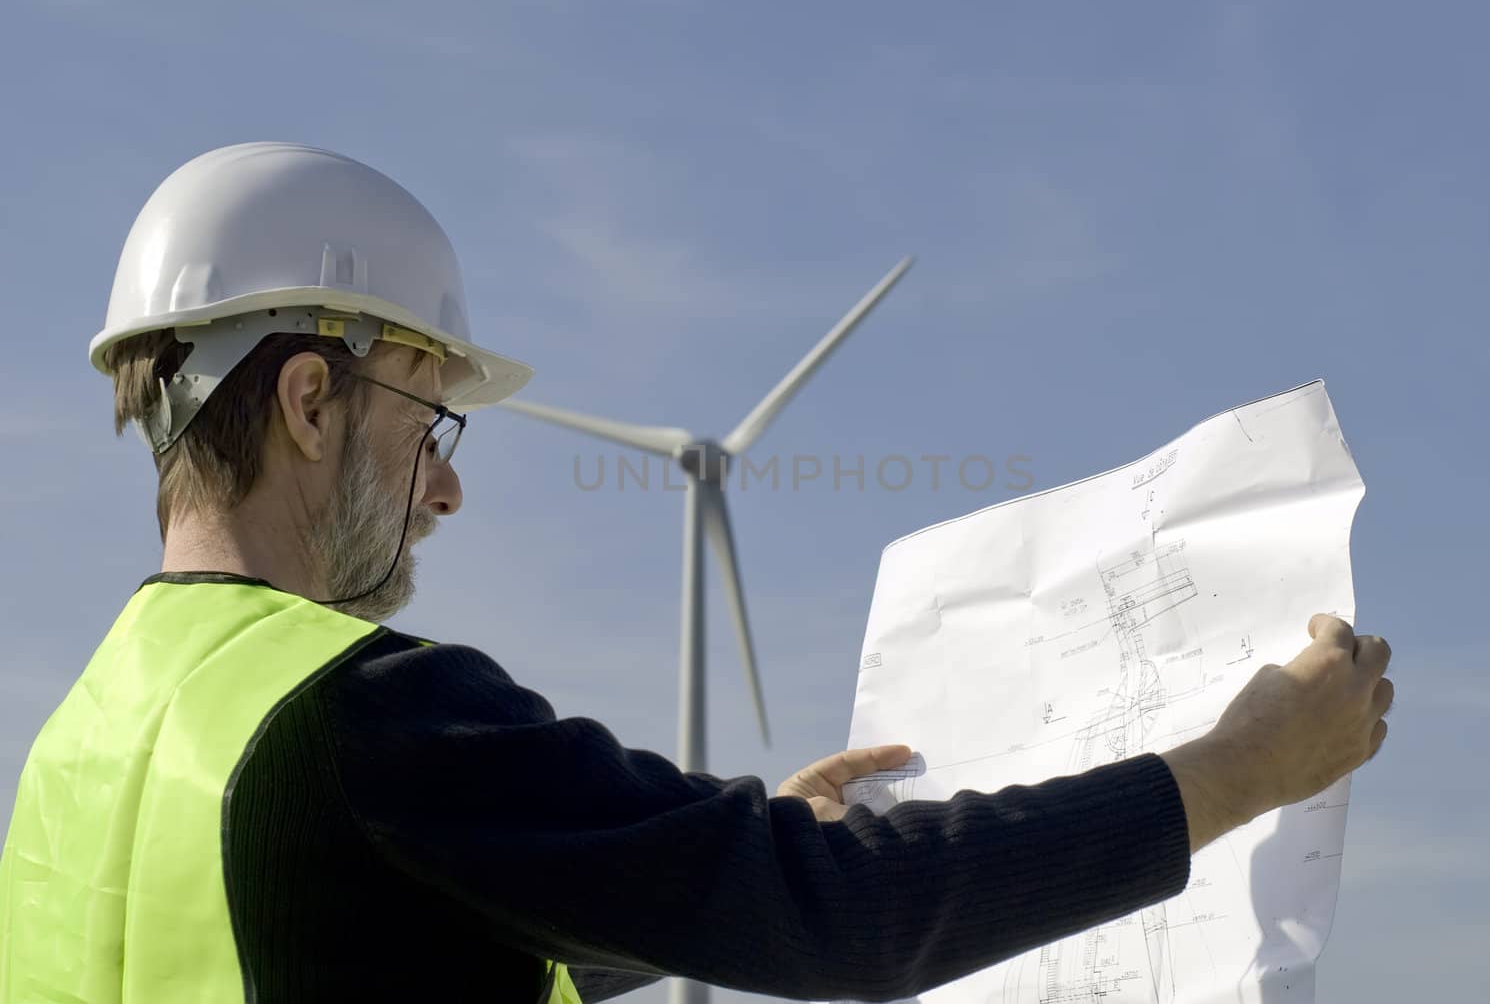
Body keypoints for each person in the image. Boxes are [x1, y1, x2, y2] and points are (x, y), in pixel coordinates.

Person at [0, 143, 1395, 1004]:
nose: (447, 488)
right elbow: (851, 922)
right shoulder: (371, 716)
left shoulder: (80, 746)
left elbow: (350, 946)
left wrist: (705, 870)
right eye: (429, 421)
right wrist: (1238, 770)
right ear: (310, 403)